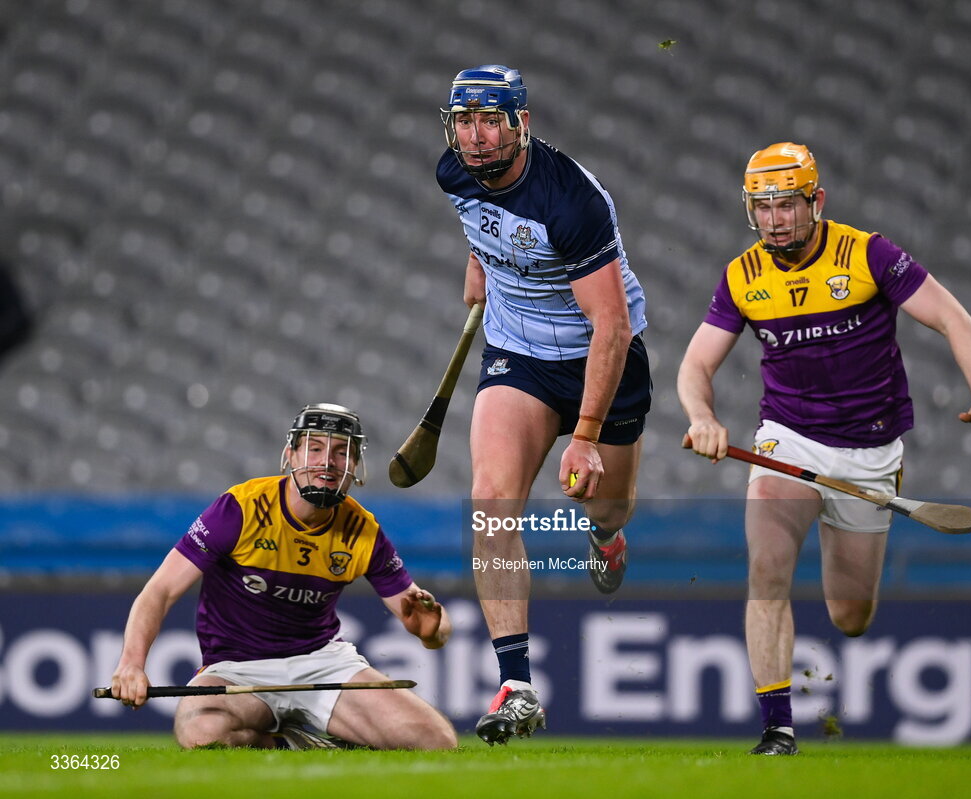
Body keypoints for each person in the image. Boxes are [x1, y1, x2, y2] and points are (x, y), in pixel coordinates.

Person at [677, 142, 971, 755]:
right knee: (766, 566)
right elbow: (696, 362)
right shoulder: (742, 275)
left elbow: (953, 319)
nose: (775, 218)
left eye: (787, 205)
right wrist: (703, 417)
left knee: (850, 617)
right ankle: (777, 727)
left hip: (871, 451)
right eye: (763, 206)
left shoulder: (868, 254)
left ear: (816, 201)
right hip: (788, 439)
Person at [437, 65, 651, 744]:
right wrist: (479, 262)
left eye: (490, 120)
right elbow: (480, 224)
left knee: (607, 503)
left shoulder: (571, 201)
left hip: (597, 353)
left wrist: (585, 434)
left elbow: (612, 327)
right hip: (518, 354)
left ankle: (606, 536)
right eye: (463, 121)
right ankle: (516, 683)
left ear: (521, 124)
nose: (474, 136)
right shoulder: (453, 171)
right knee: (490, 498)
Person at [111, 403, 457, 751]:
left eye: (341, 452)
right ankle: (300, 744)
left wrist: (432, 632)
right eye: (316, 447)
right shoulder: (240, 508)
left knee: (436, 741)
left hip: (322, 664)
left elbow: (426, 621)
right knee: (202, 734)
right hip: (236, 668)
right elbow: (160, 591)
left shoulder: (362, 530)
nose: (327, 462)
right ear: (290, 454)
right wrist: (131, 664)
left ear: (354, 465)